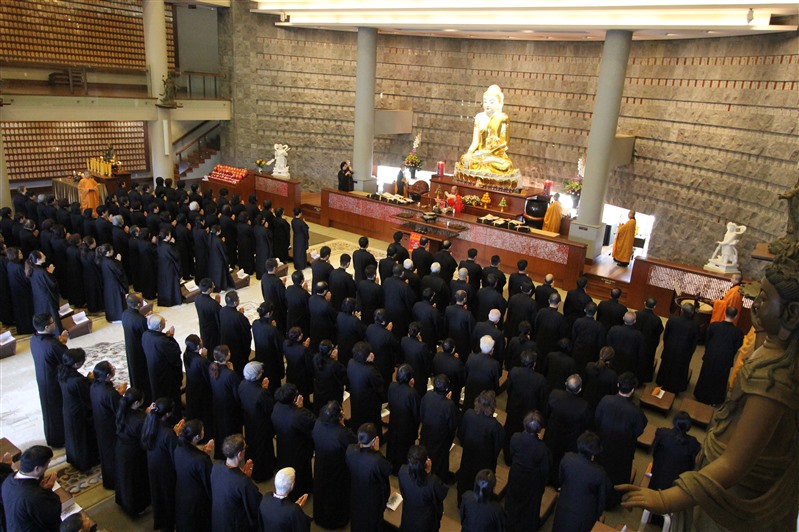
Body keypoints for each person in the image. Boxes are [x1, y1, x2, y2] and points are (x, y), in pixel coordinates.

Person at [594, 372, 647, 508]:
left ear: (618, 385)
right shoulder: (635, 412)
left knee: (600, 469)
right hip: (623, 450)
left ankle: (596, 495)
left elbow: (597, 420)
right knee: (618, 475)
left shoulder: (605, 400)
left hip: (604, 444)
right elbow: (639, 431)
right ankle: (613, 500)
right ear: (633, 390)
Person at [552, 431, 612, 532]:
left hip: (564, 504)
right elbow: (602, 499)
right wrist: (598, 514)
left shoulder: (567, 458)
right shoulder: (599, 472)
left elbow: (561, 479)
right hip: (585, 513)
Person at [312, 401, 357, 529]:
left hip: (321, 465)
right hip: (337, 468)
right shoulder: (342, 433)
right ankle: (336, 521)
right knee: (336, 494)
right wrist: (343, 426)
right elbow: (355, 442)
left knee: (322, 492)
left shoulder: (318, 424)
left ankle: (320, 517)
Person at [457, 84, 517, 178]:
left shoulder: (502, 118)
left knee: (506, 166)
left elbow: (504, 145)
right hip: (479, 155)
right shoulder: (479, 117)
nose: (487, 105)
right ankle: (481, 168)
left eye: (491, 102)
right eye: (485, 101)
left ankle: (483, 170)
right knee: (464, 159)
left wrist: (488, 153)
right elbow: (475, 142)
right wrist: (469, 153)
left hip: (495, 157)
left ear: (499, 103)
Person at [505, 411, 551, 532]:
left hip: (516, 475)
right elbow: (544, 471)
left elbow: (512, 454)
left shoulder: (515, 437)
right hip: (532, 482)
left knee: (513, 500)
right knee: (529, 508)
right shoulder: (542, 448)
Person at [457, 390, 504, 505]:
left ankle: (461, 501)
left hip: (468, 455)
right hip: (485, 461)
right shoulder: (495, 426)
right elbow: (497, 447)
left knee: (465, 478)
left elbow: (462, 434)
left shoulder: (468, 414)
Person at [543, 374, 592, 486]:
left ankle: (546, 478)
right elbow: (587, 424)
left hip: (553, 434)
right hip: (570, 440)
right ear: (580, 389)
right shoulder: (584, 406)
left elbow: (547, 412)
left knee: (550, 457)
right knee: (563, 461)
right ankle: (558, 483)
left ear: (565, 384)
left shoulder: (554, 395)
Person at [141, 396, 180, 532]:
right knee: (168, 497)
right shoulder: (168, 434)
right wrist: (177, 436)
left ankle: (161, 522)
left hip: (154, 465)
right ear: (168, 414)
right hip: (166, 469)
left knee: (158, 495)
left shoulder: (150, 423)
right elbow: (175, 453)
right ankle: (169, 524)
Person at [1, 445, 61, 532]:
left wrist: (40, 489)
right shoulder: (35, 496)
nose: (47, 467)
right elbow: (53, 515)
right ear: (37, 468)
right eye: (47, 464)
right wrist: (47, 491)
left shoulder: (8, 480)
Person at [272, 383, 316, 501]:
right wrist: (301, 408)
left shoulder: (276, 407)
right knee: (301, 470)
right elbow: (312, 423)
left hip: (283, 444)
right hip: (298, 447)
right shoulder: (298, 414)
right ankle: (301, 492)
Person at [30, 313, 68, 448]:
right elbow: (67, 358)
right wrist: (63, 343)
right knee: (58, 410)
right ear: (46, 327)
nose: (54, 324)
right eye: (52, 323)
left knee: (48, 410)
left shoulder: (34, 339)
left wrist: (59, 342)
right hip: (54, 381)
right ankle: (60, 438)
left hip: (43, 379)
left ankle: (52, 436)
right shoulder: (52, 345)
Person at [503, 350, 549, 461]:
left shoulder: (514, 372)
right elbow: (542, 399)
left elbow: (509, 389)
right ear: (534, 364)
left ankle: (507, 456)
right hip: (530, 413)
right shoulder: (540, 380)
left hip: (514, 407)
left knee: (510, 431)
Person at [210, 434, 262, 531]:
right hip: (234, 525)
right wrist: (246, 478)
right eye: (245, 448)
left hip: (218, 520)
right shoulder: (242, 482)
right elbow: (256, 503)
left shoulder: (216, 466)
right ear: (240, 454)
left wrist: (243, 476)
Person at [694, 306, 745, 405]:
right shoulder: (738, 333)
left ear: (725, 313)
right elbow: (737, 346)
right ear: (736, 316)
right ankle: (715, 400)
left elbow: (707, 340)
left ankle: (700, 395)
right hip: (725, 358)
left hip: (711, 354)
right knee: (720, 379)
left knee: (706, 374)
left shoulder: (714, 326)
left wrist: (709, 350)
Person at [346, 423, 391, 532]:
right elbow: (388, 469)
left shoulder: (350, 450)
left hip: (356, 491)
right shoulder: (376, 460)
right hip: (372, 496)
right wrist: (377, 451)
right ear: (374, 440)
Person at [58, 348, 98, 472]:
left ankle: (75, 459)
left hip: (69, 409)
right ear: (76, 364)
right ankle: (84, 463)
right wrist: (91, 381)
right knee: (81, 438)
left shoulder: (63, 372)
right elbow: (88, 393)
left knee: (74, 437)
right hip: (78, 412)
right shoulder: (77, 381)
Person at [114, 387, 150, 517]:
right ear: (136, 403)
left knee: (124, 477)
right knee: (135, 480)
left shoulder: (122, 410)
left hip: (121, 448)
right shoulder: (140, 420)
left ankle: (123, 501)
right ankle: (136, 507)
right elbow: (145, 438)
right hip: (134, 453)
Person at [89, 361, 125, 489]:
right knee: (112, 454)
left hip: (100, 422)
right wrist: (121, 398)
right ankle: (115, 481)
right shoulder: (109, 392)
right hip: (110, 426)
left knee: (106, 453)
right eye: (112, 368)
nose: (114, 368)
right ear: (108, 375)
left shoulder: (95, 385)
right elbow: (119, 410)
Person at [174, 419, 214, 532]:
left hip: (182, 492)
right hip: (197, 499)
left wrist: (202, 453)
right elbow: (209, 481)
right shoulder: (201, 460)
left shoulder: (179, 447)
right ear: (197, 437)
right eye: (202, 430)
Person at [238, 361, 276, 482]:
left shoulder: (242, 384)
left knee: (251, 445)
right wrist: (265, 389)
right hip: (261, 425)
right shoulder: (262, 393)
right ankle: (262, 474)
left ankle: (251, 467)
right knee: (263, 449)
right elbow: (270, 408)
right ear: (258, 376)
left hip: (249, 421)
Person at [419, 374, 459, 483]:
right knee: (440, 460)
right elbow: (453, 425)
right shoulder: (450, 405)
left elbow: (421, 414)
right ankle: (438, 480)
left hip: (426, 433)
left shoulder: (427, 396)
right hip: (441, 438)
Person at [142, 314, 183, 421]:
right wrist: (171, 337)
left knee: (157, 392)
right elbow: (175, 353)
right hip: (165, 374)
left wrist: (167, 336)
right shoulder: (162, 341)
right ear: (160, 326)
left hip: (153, 370)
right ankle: (173, 418)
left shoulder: (145, 335)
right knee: (169, 396)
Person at [399, 444, 449, 532]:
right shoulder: (432, 481)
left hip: (408, 515)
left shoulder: (402, 471)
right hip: (425, 520)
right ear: (426, 463)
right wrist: (428, 473)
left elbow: (402, 490)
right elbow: (442, 494)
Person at [656, 303, 700, 393]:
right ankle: (675, 387)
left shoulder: (672, 320)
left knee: (666, 365)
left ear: (682, 310)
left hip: (670, 348)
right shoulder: (694, 326)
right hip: (684, 352)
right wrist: (690, 353)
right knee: (679, 369)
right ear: (692, 313)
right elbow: (694, 343)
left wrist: (666, 345)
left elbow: (665, 335)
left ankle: (662, 381)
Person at [208, 346, 243, 459]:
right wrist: (232, 370)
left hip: (217, 404)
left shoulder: (211, 367)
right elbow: (237, 393)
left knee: (219, 430)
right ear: (227, 355)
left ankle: (219, 453)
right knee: (230, 431)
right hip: (229, 408)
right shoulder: (230, 375)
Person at [387, 364, 421, 475]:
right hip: (407, 426)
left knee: (393, 445)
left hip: (394, 421)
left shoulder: (392, 386)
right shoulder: (412, 393)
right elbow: (416, 413)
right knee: (404, 449)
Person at [347, 341, 384, 434]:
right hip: (369, 403)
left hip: (355, 399)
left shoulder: (350, 363)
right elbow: (379, 383)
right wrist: (372, 363)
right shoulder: (370, 370)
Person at [259, 467, 312, 531]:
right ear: (292, 485)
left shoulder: (266, 497)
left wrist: (294, 507)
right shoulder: (294, 511)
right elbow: (302, 528)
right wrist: (297, 508)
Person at [182, 335, 213, 441]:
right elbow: (208, 375)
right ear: (198, 346)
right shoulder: (201, 361)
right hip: (201, 391)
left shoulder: (186, 354)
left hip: (191, 387)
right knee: (204, 413)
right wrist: (204, 357)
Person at [121, 294, 150, 401]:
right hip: (139, 349)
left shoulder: (125, 314)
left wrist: (144, 318)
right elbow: (146, 335)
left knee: (134, 370)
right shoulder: (140, 320)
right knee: (142, 373)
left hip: (130, 346)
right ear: (138, 304)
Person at [252, 300, 285, 394]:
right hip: (272, 360)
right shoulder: (272, 330)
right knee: (273, 383)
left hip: (260, 355)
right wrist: (274, 328)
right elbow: (280, 344)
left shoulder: (255, 323)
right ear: (268, 314)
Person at [27, 250, 63, 334]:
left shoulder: (32, 269)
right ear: (38, 259)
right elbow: (52, 284)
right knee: (52, 315)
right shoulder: (41, 271)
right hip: (46, 297)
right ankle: (57, 333)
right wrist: (50, 273)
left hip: (39, 297)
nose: (45, 256)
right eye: (43, 255)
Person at [366, 308, 401, 391]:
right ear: (384, 322)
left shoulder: (369, 328)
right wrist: (389, 332)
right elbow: (396, 346)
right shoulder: (388, 335)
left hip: (372, 362)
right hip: (385, 364)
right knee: (386, 384)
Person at [219, 290, 253, 377]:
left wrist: (239, 313)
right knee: (239, 366)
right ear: (235, 302)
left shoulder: (222, 310)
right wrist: (240, 315)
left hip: (226, 342)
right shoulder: (239, 316)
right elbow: (246, 330)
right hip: (237, 346)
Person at [464, 335, 501, 411]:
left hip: (470, 391)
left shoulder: (471, 357)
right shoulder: (495, 364)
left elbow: (465, 374)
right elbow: (496, 382)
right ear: (491, 350)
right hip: (484, 397)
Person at [606, 311, 646, 379]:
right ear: (635, 321)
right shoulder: (639, 335)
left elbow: (608, 344)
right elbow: (641, 352)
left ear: (623, 318)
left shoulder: (614, 329)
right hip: (629, 364)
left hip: (614, 360)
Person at [534, 292, 566, 375]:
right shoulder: (560, 317)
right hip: (552, 346)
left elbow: (536, 325)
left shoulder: (541, 312)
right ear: (559, 303)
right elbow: (562, 334)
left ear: (548, 301)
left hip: (539, 342)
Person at [312, 339, 347, 413]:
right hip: (331, 394)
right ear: (330, 351)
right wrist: (335, 359)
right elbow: (343, 376)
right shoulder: (334, 365)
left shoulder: (315, 358)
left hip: (319, 391)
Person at [635, 297, 664, 383]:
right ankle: (643, 378)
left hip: (636, 341)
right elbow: (660, 331)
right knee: (646, 361)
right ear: (654, 307)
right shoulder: (656, 319)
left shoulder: (636, 314)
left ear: (644, 303)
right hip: (649, 345)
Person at [6, 247, 35, 334]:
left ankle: (22, 328)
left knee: (20, 311)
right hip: (23, 292)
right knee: (26, 311)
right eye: (19, 253)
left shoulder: (10, 264)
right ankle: (29, 328)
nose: (21, 254)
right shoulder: (18, 267)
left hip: (15, 290)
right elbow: (26, 280)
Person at [284, 327, 314, 406]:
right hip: (301, 376)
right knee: (303, 395)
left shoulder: (285, 344)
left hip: (290, 372)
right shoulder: (304, 350)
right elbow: (309, 365)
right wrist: (305, 347)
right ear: (299, 337)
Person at [432, 338, 465, 410]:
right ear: (453, 349)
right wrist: (456, 359)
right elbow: (462, 379)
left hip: (438, 385)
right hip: (453, 390)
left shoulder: (437, 356)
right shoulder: (457, 363)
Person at [571, 301, 606, 370]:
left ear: (585, 310)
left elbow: (573, 336)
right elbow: (600, 343)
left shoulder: (578, 321)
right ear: (595, 313)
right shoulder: (599, 326)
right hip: (591, 354)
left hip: (578, 351)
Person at [98, 244, 128, 321]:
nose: (113, 251)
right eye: (112, 250)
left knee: (110, 301)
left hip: (108, 284)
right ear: (108, 252)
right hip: (114, 284)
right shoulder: (110, 262)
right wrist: (118, 261)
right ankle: (118, 316)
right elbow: (119, 271)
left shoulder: (102, 260)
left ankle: (112, 316)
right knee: (117, 300)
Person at [583, 346, 619, 411]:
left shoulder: (589, 366)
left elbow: (584, 381)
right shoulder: (612, 375)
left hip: (587, 399)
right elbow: (613, 393)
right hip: (602, 404)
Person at [445, 290, 476, 364]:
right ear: (464, 299)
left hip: (451, 338)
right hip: (463, 342)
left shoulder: (448, 309)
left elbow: (445, 323)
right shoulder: (468, 314)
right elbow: (472, 329)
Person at [336, 296, 366, 368]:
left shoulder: (339, 315)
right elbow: (363, 332)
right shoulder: (355, 321)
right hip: (352, 345)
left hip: (341, 343)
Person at [308, 281, 337, 351]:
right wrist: (328, 301)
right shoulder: (326, 304)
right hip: (325, 329)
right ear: (325, 291)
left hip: (314, 326)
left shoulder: (311, 298)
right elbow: (334, 316)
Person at [262, 258, 288, 333]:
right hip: (277, 309)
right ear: (274, 268)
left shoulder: (264, 277)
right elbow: (283, 296)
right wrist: (282, 285)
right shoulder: (277, 281)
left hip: (268, 303)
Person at [195, 278, 221, 352]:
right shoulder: (213, 304)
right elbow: (220, 315)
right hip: (212, 330)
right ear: (209, 289)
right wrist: (217, 303)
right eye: (213, 286)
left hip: (203, 326)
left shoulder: (197, 298)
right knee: (213, 347)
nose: (214, 286)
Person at [156, 229, 182, 307]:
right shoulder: (168, 247)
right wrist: (173, 244)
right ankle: (172, 300)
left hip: (162, 267)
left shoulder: (159, 245)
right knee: (171, 284)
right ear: (167, 237)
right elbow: (176, 256)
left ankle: (164, 300)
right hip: (169, 267)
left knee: (164, 284)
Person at [207, 224, 234, 291]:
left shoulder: (209, 238)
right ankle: (220, 287)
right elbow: (223, 251)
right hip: (219, 260)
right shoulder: (218, 241)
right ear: (218, 231)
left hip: (212, 259)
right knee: (220, 275)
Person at [286, 270, 310, 334]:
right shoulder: (304, 294)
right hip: (301, 319)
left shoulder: (288, 288)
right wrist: (305, 291)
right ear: (302, 281)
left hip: (290, 317)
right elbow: (308, 307)